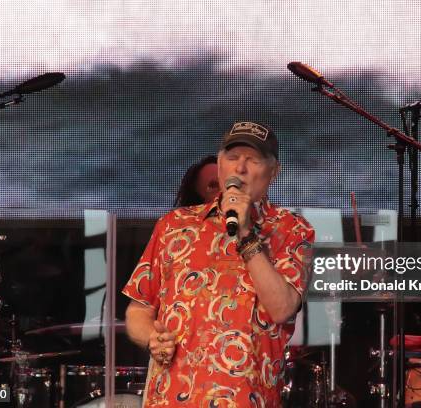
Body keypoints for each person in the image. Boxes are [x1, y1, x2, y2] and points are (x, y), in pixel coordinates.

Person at [122, 121, 314, 407]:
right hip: (171, 398)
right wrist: (152, 336)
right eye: (233, 158)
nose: (240, 168)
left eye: (253, 160)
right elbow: (138, 309)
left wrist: (246, 233)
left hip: (246, 398)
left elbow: (282, 308)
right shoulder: (174, 225)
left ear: (273, 173)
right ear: (221, 162)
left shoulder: (292, 229)